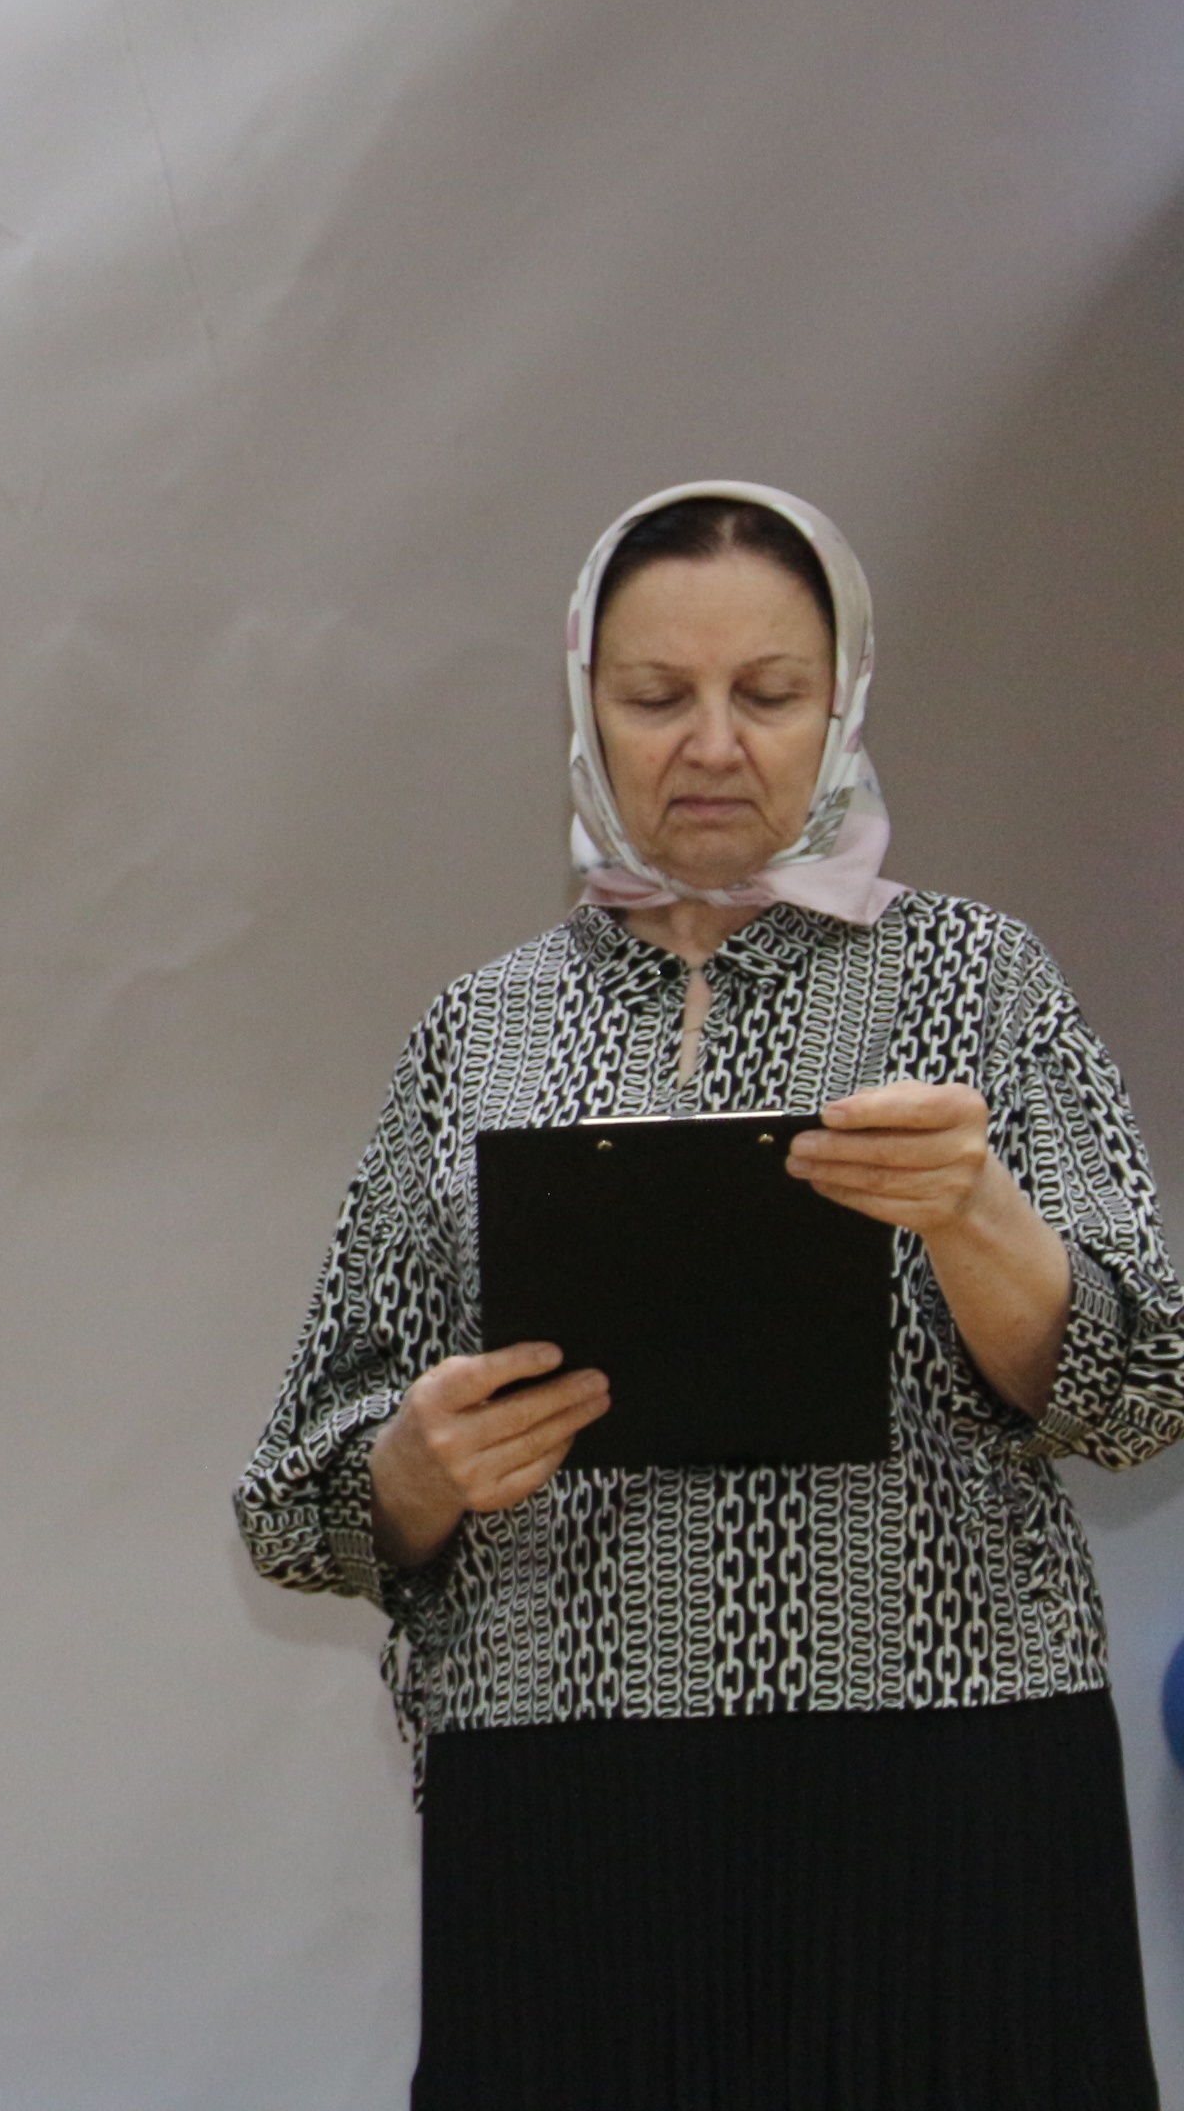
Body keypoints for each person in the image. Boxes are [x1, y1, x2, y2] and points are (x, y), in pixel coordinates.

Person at [238, 481, 1181, 2108]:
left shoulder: (983, 981)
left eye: (771, 693)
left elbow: (1148, 1385)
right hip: (564, 1786)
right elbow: (293, 1495)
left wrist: (977, 1220)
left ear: (846, 703)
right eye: (656, 695)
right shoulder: (478, 1031)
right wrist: (415, 1472)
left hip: (950, 1771)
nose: (714, 744)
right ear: (584, 706)